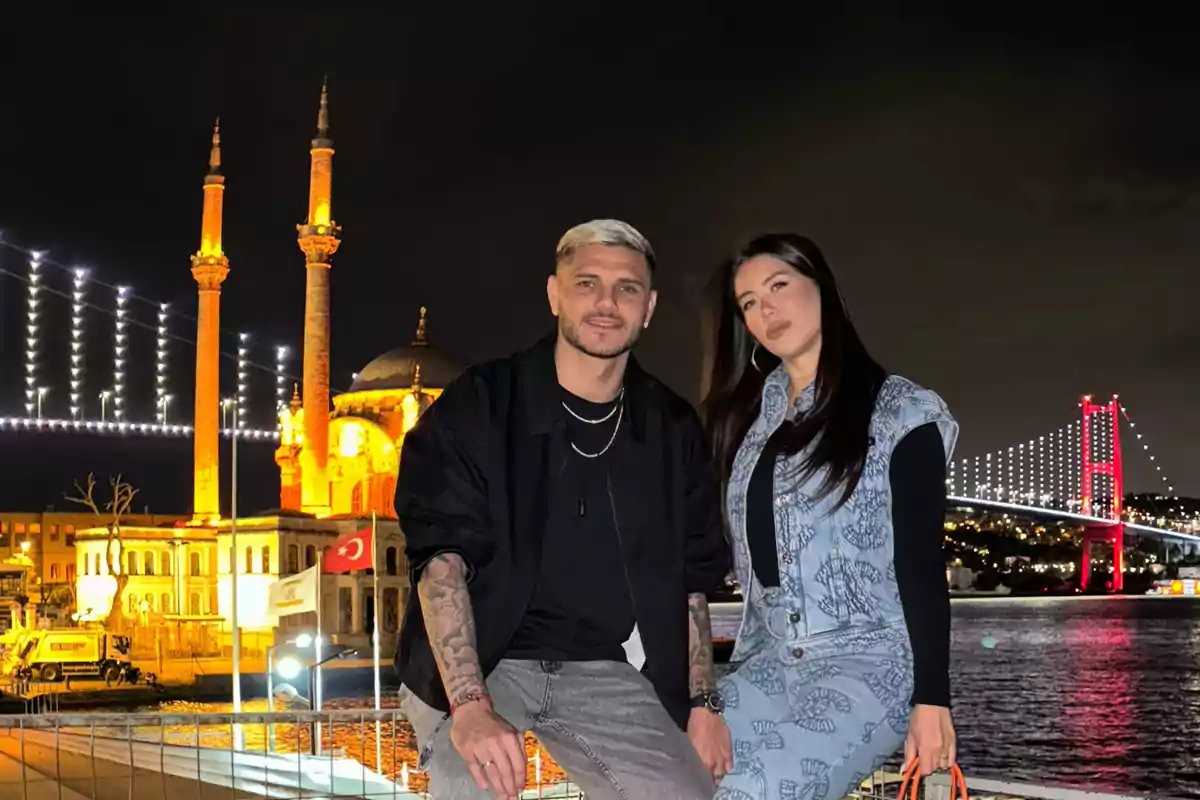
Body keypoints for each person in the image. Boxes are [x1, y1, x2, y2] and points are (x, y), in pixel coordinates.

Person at [394, 219, 733, 799]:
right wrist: (470, 707)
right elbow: (441, 560)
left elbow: (691, 580)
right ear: (555, 294)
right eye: (586, 283)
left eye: (626, 288)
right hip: (486, 660)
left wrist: (703, 705)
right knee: (471, 786)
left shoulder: (671, 428)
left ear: (648, 307)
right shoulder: (482, 403)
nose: (606, 303)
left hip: (597, 668)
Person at [699, 233, 959, 800]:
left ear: (824, 290)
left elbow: (920, 560)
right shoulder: (749, 423)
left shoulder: (900, 411)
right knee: (667, 773)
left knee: (748, 790)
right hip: (768, 661)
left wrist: (932, 700)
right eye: (748, 302)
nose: (764, 310)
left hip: (869, 665)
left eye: (779, 286)